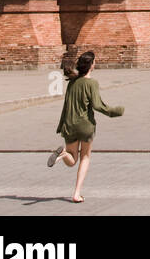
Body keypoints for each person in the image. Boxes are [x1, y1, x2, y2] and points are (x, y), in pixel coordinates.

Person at [47, 51, 124, 203]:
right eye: (94, 62)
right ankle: (76, 193)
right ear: (91, 65)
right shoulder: (92, 83)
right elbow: (97, 105)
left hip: (69, 125)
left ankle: (62, 153)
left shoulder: (72, 83)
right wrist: (116, 111)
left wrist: (61, 125)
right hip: (85, 125)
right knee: (85, 157)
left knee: (72, 160)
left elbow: (66, 105)